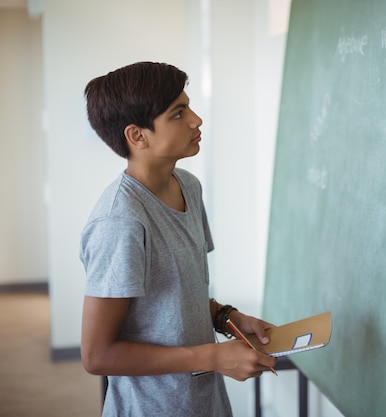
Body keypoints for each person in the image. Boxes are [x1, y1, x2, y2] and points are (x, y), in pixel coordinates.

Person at [79, 61, 277, 416]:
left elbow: (174, 299)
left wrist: (227, 319)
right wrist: (213, 356)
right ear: (137, 136)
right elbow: (97, 355)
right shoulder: (119, 222)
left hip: (205, 402)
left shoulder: (188, 185)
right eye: (178, 113)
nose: (196, 120)